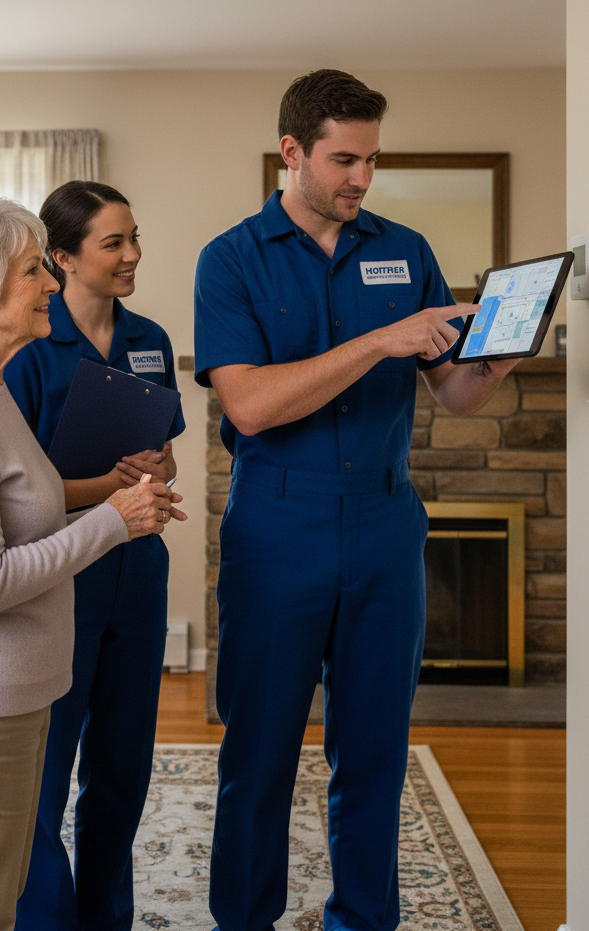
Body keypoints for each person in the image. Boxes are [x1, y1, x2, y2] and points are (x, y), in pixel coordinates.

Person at [193, 70, 519, 931]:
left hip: (384, 522)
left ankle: (364, 922)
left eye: (373, 159)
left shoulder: (404, 249)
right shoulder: (229, 259)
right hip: (278, 523)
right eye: (344, 159)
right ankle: (245, 922)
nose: (361, 179)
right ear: (293, 152)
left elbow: (454, 393)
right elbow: (252, 406)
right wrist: (381, 340)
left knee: (373, 755)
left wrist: (504, 348)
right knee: (259, 756)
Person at [0, 191, 183, 931]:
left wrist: (122, 508)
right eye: (31, 271)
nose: (52, 282)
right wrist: (112, 519)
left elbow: (20, 522)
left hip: (9, 687)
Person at [3, 180, 186, 931]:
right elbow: (18, 493)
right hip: (59, 578)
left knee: (121, 770)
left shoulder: (151, 339)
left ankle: (107, 918)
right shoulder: (28, 351)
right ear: (63, 257)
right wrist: (110, 488)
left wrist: (151, 476)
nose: (133, 255)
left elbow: (166, 458)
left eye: (134, 238)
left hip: (138, 574)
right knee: (45, 777)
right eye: (114, 243)